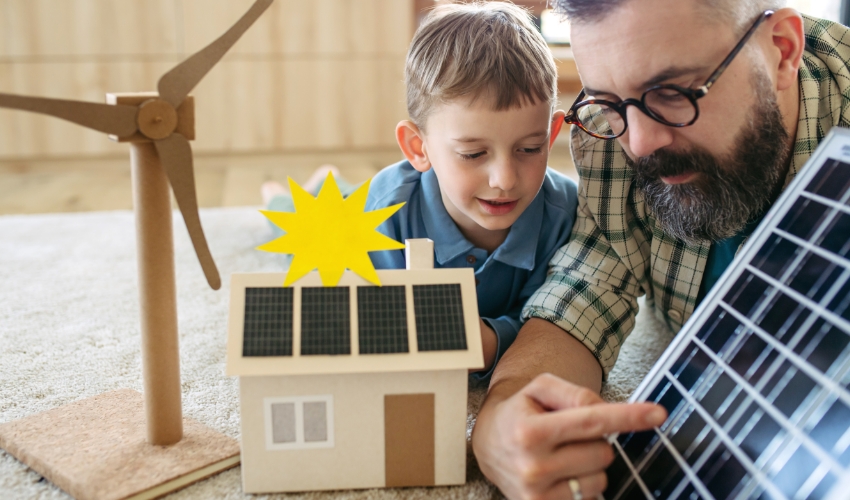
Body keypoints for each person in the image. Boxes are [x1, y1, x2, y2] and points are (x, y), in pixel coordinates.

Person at [470, 1, 850, 499]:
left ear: (781, 51)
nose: (642, 143)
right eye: (608, 102)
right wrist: (501, 419)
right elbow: (585, 286)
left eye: (671, 93)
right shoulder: (611, 132)